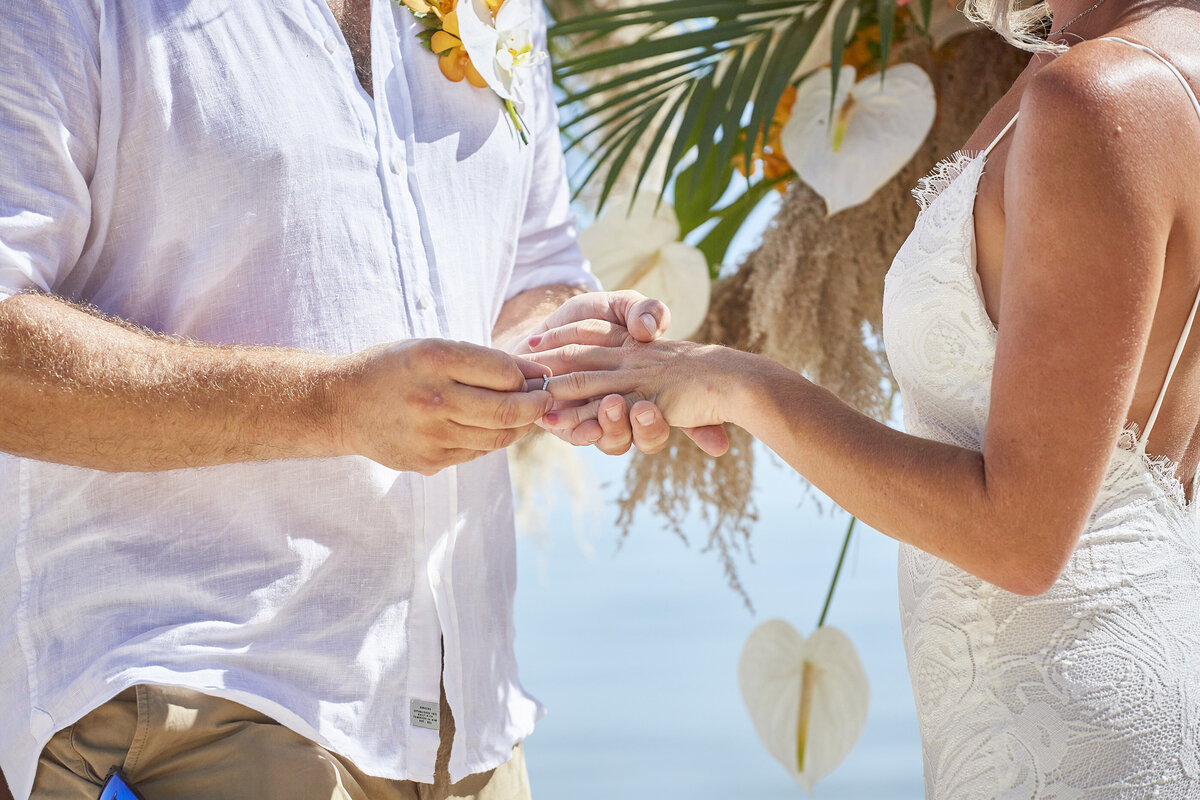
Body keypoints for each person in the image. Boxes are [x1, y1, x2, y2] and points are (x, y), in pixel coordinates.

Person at [0, 1, 692, 799]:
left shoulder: (501, 11)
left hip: (465, 722)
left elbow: (534, 266)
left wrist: (564, 350)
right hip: (191, 696)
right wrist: (334, 405)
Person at [533, 0, 1200, 796]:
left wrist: (741, 383)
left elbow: (1022, 537)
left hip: (1070, 726)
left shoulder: (1096, 95)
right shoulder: (1131, 63)